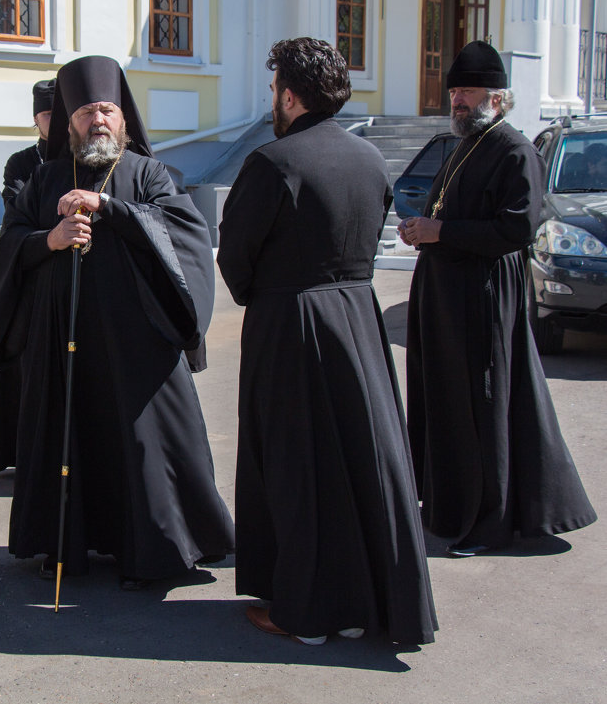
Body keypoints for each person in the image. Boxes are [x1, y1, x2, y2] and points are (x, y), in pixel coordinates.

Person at [0, 55, 234, 590]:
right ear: (69, 121)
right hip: (61, 339)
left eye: (109, 111)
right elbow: (5, 247)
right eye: (88, 112)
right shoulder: (44, 179)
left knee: (145, 443)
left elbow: (184, 233)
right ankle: (64, 545)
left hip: (136, 340)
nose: (98, 120)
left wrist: (110, 209)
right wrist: (46, 241)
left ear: (124, 120)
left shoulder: (148, 173)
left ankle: (155, 553)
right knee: (65, 435)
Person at [217, 37, 436, 646]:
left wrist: (272, 293)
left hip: (289, 325)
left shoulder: (273, 161)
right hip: (358, 322)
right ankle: (353, 599)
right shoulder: (370, 159)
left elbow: (236, 260)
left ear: (289, 94)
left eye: (273, 90)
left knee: (296, 467)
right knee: (356, 462)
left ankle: (306, 613)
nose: (272, 101)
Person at [399, 40, 596, 558]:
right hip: (446, 297)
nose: (457, 101)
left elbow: (517, 229)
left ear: (497, 98)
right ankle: (447, 506)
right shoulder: (462, 143)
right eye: (456, 91)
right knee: (445, 404)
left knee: (482, 408)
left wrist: (442, 231)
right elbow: (444, 212)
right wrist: (421, 231)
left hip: (483, 298)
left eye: (467, 92)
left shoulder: (514, 149)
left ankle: (489, 523)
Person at [0, 78, 55, 472]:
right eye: (47, 114)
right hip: (29, 274)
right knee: (25, 370)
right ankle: (22, 454)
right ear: (36, 119)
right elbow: (19, 213)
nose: (54, 121)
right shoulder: (21, 163)